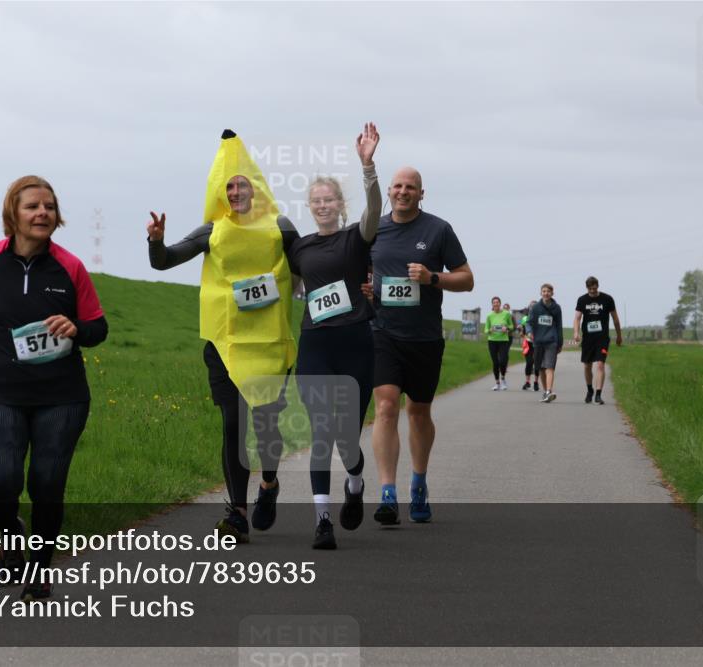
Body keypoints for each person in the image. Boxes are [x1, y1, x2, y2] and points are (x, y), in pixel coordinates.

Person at [0, 175, 108, 600]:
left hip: (61, 396)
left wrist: (76, 328)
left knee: (47, 483)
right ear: (12, 215)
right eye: (33, 206)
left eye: (49, 207)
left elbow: (98, 327)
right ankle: (10, 536)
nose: (42, 213)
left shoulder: (69, 267)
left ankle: (39, 565)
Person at [148, 130, 298, 543]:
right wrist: (155, 241)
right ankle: (237, 513)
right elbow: (165, 261)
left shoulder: (280, 228)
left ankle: (269, 483)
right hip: (225, 344)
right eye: (228, 186)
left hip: (268, 345)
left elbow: (311, 262)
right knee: (234, 424)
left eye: (242, 184)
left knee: (266, 427)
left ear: (256, 188)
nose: (235, 191)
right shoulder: (212, 230)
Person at [288, 123, 381, 549]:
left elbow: (375, 210)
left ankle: (357, 483)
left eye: (329, 199)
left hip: (356, 344)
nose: (322, 205)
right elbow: (284, 288)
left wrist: (368, 166)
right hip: (316, 347)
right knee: (321, 430)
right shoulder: (300, 249)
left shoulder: (355, 238)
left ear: (340, 204)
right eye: (315, 200)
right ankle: (323, 519)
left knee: (348, 436)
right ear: (310, 207)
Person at [369, 166, 474, 525]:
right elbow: (359, 272)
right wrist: (366, 289)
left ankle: (418, 481)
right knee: (385, 407)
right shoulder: (374, 230)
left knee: (418, 412)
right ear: (389, 192)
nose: (402, 191)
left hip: (425, 337)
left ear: (421, 193)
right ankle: (386, 492)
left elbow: (467, 279)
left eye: (410, 187)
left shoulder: (438, 230)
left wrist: (432, 278)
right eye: (397, 186)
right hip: (383, 332)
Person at [573, 276, 623, 405]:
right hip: (588, 338)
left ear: (598, 286)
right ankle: (590, 390)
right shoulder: (582, 300)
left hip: (602, 337)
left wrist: (619, 335)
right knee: (587, 365)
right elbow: (577, 318)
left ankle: (598, 394)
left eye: (594, 288)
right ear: (587, 288)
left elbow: (615, 319)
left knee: (600, 364)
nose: (593, 291)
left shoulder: (607, 299)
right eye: (590, 289)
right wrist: (576, 333)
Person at [528, 283, 563, 403]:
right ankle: (545, 392)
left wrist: (560, 343)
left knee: (550, 367)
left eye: (548, 291)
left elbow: (559, 326)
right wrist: (529, 332)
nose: (546, 293)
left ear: (552, 293)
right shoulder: (536, 308)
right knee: (541, 368)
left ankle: (549, 391)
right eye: (544, 291)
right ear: (540, 293)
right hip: (538, 342)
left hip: (551, 342)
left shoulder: (556, 308)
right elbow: (529, 322)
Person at [484, 296, 514, 390]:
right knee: (495, 362)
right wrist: (490, 330)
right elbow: (485, 329)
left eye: (497, 302)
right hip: (492, 341)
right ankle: (497, 383)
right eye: (494, 302)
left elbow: (511, 326)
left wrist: (507, 329)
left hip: (503, 341)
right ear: (492, 304)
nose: (496, 304)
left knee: (503, 361)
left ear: (500, 304)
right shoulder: (489, 316)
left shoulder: (506, 314)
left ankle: (503, 379)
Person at [519, 299, 540, 391]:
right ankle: (527, 382)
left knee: (537, 363)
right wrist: (521, 332)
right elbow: (523, 330)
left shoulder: (541, 317)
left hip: (539, 343)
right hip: (528, 343)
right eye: (531, 306)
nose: (533, 308)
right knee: (529, 362)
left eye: (535, 306)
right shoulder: (525, 318)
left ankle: (536, 382)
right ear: (529, 308)